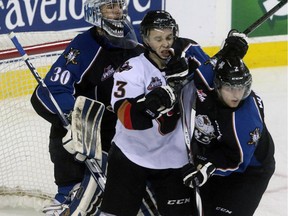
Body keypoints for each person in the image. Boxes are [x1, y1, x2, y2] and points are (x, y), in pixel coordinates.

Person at [30, 0, 156, 215]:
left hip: (128, 124)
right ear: (93, 11)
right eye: (110, 6)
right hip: (96, 129)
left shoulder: (137, 37)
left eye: (119, 5)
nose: (117, 12)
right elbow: (50, 91)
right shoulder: (84, 45)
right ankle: (69, 192)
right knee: (64, 127)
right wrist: (77, 119)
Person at [98, 10, 217, 216]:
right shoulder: (132, 69)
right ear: (146, 39)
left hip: (174, 158)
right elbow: (128, 118)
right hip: (130, 155)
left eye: (169, 37)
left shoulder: (188, 64)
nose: (165, 44)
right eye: (158, 38)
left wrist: (230, 54)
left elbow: (219, 85)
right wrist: (158, 98)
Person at [182, 56, 275, 216]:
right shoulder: (206, 81)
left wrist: (207, 168)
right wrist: (228, 51)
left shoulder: (246, 120)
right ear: (217, 85)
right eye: (230, 88)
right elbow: (195, 56)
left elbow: (237, 162)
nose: (236, 95)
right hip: (215, 154)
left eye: (240, 88)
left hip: (250, 171)